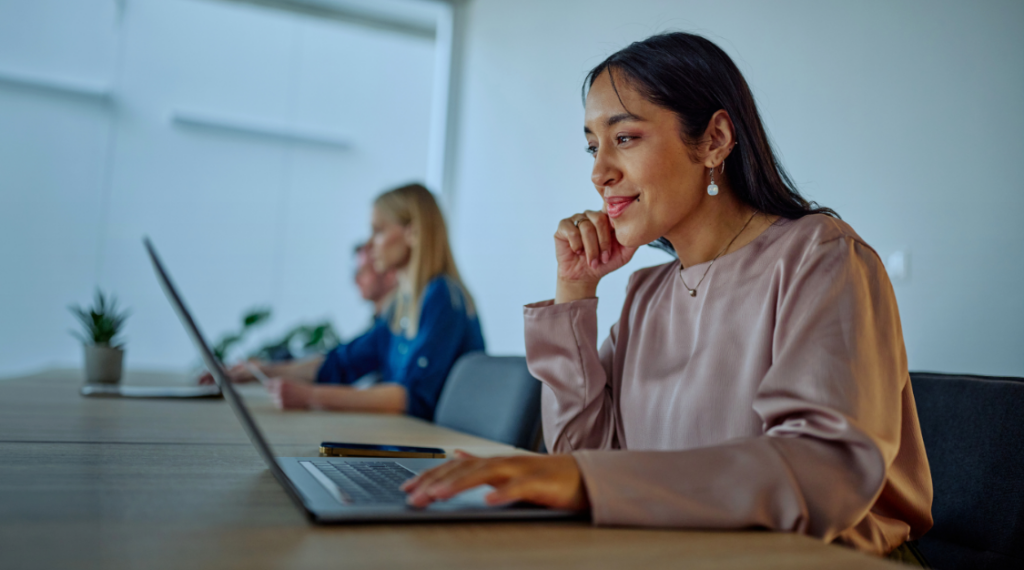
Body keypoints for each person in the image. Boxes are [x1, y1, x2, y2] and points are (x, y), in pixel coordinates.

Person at [401, 32, 933, 561]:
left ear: (714, 140)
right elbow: (581, 457)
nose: (598, 172)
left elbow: (824, 473)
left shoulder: (822, 256)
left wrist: (588, 481)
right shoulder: (647, 292)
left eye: (624, 138)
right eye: (592, 145)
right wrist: (576, 292)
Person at [218, 183, 485, 420]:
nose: (369, 245)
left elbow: (406, 397)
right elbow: (342, 363)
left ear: (412, 233)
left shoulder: (443, 297)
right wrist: (262, 371)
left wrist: (311, 397)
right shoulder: (401, 307)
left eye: (378, 231)